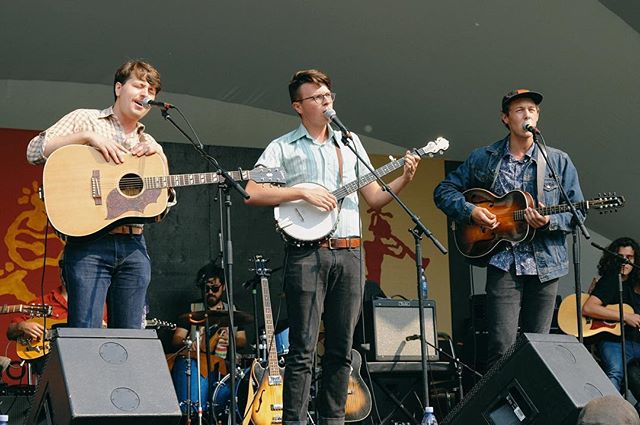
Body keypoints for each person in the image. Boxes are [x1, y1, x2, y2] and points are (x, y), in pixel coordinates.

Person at [244, 69, 420, 425]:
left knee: (341, 349)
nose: (326, 102)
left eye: (328, 96)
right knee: (303, 349)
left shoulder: (350, 143)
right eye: (316, 98)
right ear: (298, 106)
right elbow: (252, 191)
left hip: (351, 252)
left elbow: (374, 198)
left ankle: (333, 420)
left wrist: (404, 176)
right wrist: (300, 191)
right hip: (308, 254)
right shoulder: (283, 147)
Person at [433, 89, 584, 367]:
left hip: (546, 266)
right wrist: (472, 211)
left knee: (538, 351)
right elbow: (444, 190)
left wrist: (550, 221)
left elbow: (578, 212)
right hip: (503, 262)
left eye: (532, 109)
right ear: (505, 118)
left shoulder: (557, 160)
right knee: (502, 347)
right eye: (519, 110)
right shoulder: (485, 157)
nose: (527, 114)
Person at [25, 60, 166, 329]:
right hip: (90, 244)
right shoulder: (85, 119)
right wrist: (87, 137)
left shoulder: (151, 146)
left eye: (151, 91)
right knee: (85, 336)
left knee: (131, 339)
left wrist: (161, 163)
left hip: (134, 247)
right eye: (138, 85)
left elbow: (160, 210)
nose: (145, 94)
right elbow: (33, 151)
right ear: (118, 88)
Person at [169, 261, 247, 414]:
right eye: (206, 288)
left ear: (223, 287)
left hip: (226, 365)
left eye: (215, 288)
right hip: (198, 364)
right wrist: (188, 344)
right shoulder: (192, 310)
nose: (210, 292)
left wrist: (230, 342)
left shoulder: (233, 310)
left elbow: (242, 340)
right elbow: (176, 340)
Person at [583, 237, 640, 394]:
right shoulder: (610, 281)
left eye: (629, 258)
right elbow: (588, 308)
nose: (624, 261)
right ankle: (609, 413)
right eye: (620, 256)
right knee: (615, 372)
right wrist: (626, 317)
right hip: (613, 340)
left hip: (634, 342)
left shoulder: (633, 285)